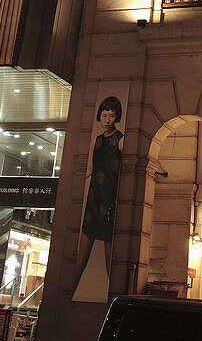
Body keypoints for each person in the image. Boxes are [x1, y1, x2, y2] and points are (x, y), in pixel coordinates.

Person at [74, 95, 124, 291]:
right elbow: (90, 168)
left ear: (117, 117)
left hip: (109, 200)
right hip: (93, 200)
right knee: (81, 258)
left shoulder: (120, 140)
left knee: (111, 262)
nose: (107, 120)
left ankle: (113, 300)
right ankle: (68, 296)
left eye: (111, 115)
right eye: (104, 115)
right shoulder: (96, 141)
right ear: (99, 116)